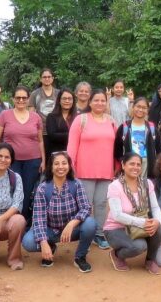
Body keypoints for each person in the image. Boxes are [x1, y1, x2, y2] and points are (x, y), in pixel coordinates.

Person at [22, 152, 96, 273]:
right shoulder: (43, 188)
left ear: (69, 166)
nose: (60, 167)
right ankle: (50, 248)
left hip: (72, 229)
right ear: (51, 167)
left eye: (64, 163)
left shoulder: (76, 184)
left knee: (90, 224)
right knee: (28, 242)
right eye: (56, 164)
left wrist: (72, 224)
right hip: (50, 230)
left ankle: (80, 257)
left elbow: (86, 208)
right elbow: (38, 219)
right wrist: (43, 243)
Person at [67, 89, 117, 250]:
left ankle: (99, 234)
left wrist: (117, 166)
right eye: (96, 100)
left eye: (103, 100)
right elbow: (72, 146)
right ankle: (85, 235)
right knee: (85, 205)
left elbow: (117, 147)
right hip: (83, 171)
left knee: (102, 204)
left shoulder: (112, 121)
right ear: (90, 102)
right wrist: (70, 167)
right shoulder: (81, 120)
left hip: (106, 170)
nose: (100, 103)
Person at [104, 153, 161, 274]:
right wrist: (143, 223)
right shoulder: (114, 186)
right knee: (139, 246)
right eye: (132, 164)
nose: (135, 167)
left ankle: (150, 260)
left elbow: (155, 207)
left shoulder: (147, 184)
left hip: (138, 226)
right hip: (116, 228)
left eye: (138, 165)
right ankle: (116, 254)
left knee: (159, 228)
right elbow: (117, 215)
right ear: (123, 165)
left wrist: (157, 221)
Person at [0, 86, 46, 218]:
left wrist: (43, 160)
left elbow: (40, 140)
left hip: (33, 160)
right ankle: (10, 220)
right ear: (13, 98)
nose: (21, 100)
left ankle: (25, 221)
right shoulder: (4, 115)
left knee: (28, 191)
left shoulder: (36, 117)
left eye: (24, 97)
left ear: (28, 99)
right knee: (12, 190)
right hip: (11, 161)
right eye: (18, 97)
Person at [114, 97, 161, 179]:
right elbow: (117, 150)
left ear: (147, 110)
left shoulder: (152, 128)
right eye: (138, 106)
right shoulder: (124, 127)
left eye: (144, 108)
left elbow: (160, 150)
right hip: (129, 166)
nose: (140, 109)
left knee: (145, 190)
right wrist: (124, 162)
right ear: (133, 107)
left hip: (147, 167)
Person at [28, 68, 59, 166]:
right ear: (40, 79)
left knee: (55, 159)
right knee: (43, 160)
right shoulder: (35, 94)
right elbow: (31, 114)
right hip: (41, 132)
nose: (47, 79)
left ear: (53, 78)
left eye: (49, 77)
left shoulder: (58, 93)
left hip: (56, 131)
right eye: (44, 77)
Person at [46, 89, 77, 154]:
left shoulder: (78, 117)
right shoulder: (51, 117)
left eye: (70, 99)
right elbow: (53, 136)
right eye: (64, 98)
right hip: (57, 154)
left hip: (74, 152)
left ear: (73, 101)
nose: (67, 101)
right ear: (59, 100)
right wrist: (74, 135)